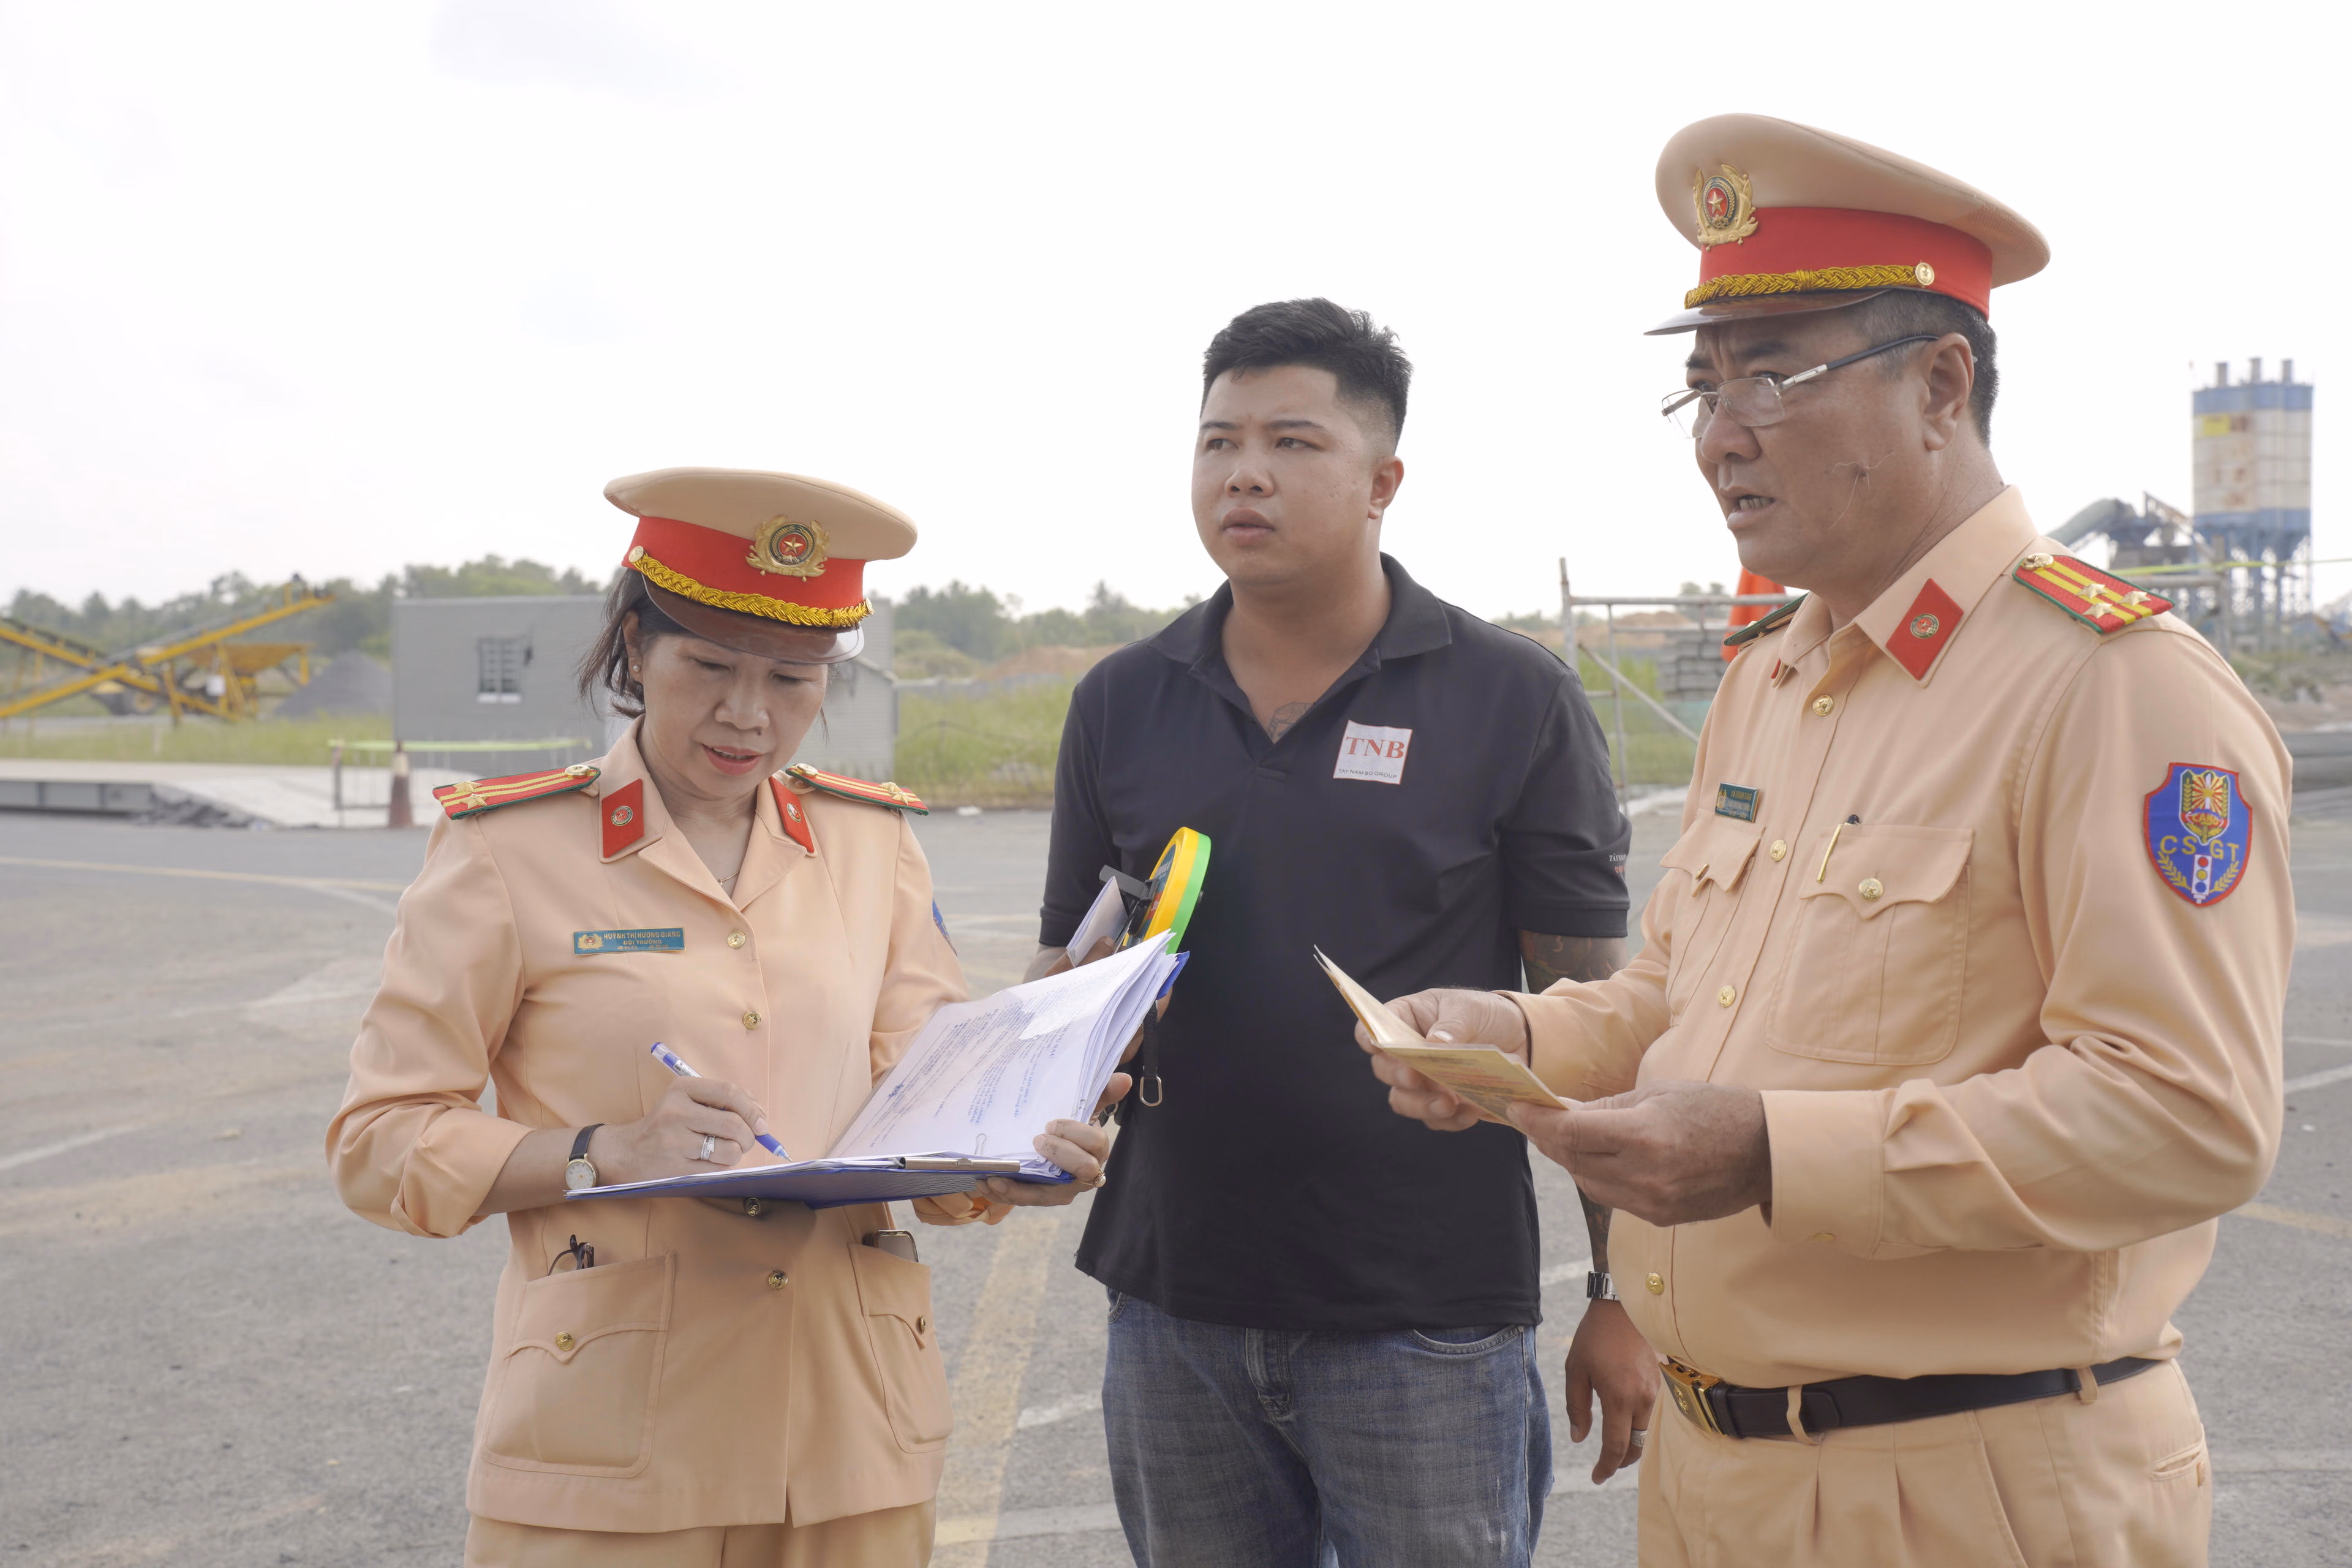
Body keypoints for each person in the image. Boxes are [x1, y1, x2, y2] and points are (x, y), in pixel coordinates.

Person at [1363, 116, 2293, 1567]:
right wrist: (1517, 1037)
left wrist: (1771, 1150)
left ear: (1942, 385)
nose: (1721, 433)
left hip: (1968, 1488)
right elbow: (1684, 995)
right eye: (1702, 386)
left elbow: (2188, 1114)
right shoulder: (1774, 677)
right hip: (1716, 1476)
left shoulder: (2113, 685)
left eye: (1773, 374)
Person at [326, 467, 1118, 1568]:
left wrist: (1015, 1153)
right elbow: (380, 1141)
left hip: (851, 1435)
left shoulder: (872, 845)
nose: (749, 714)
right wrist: (600, 1152)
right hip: (611, 1443)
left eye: (792, 679)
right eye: (708, 665)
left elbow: (930, 1114)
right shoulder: (508, 852)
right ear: (634, 647)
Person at [1034, 299, 1648, 1567]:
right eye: (1218, 441)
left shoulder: (1509, 696)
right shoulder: (1122, 700)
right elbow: (1061, 968)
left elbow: (1600, 1020)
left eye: (1292, 442)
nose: (1243, 472)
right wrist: (1047, 1049)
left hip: (1425, 1320)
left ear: (1383, 482)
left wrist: (1622, 1289)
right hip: (1174, 1309)